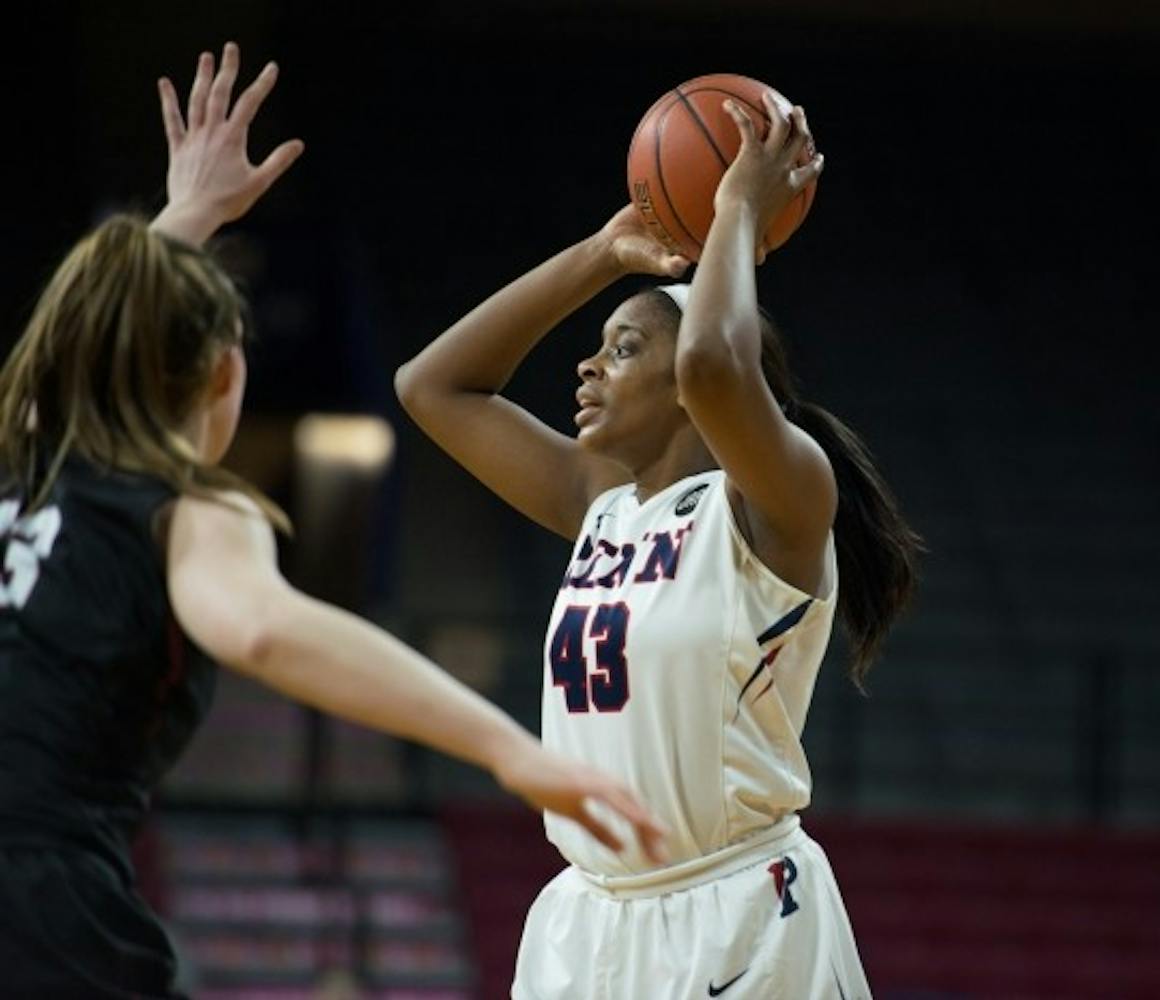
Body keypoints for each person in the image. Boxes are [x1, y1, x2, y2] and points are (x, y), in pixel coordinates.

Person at [0, 43, 663, 999]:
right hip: (39, 909)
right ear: (225, 375)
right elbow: (264, 626)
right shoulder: (185, 507)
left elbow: (89, 347)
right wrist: (507, 747)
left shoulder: (32, 459)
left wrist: (187, 215)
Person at [397, 90, 920, 998]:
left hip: (736, 915)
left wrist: (736, 213)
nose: (588, 364)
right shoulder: (601, 503)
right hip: (589, 919)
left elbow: (716, 363)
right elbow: (432, 387)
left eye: (625, 348)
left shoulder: (780, 502)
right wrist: (601, 256)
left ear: (686, 389)